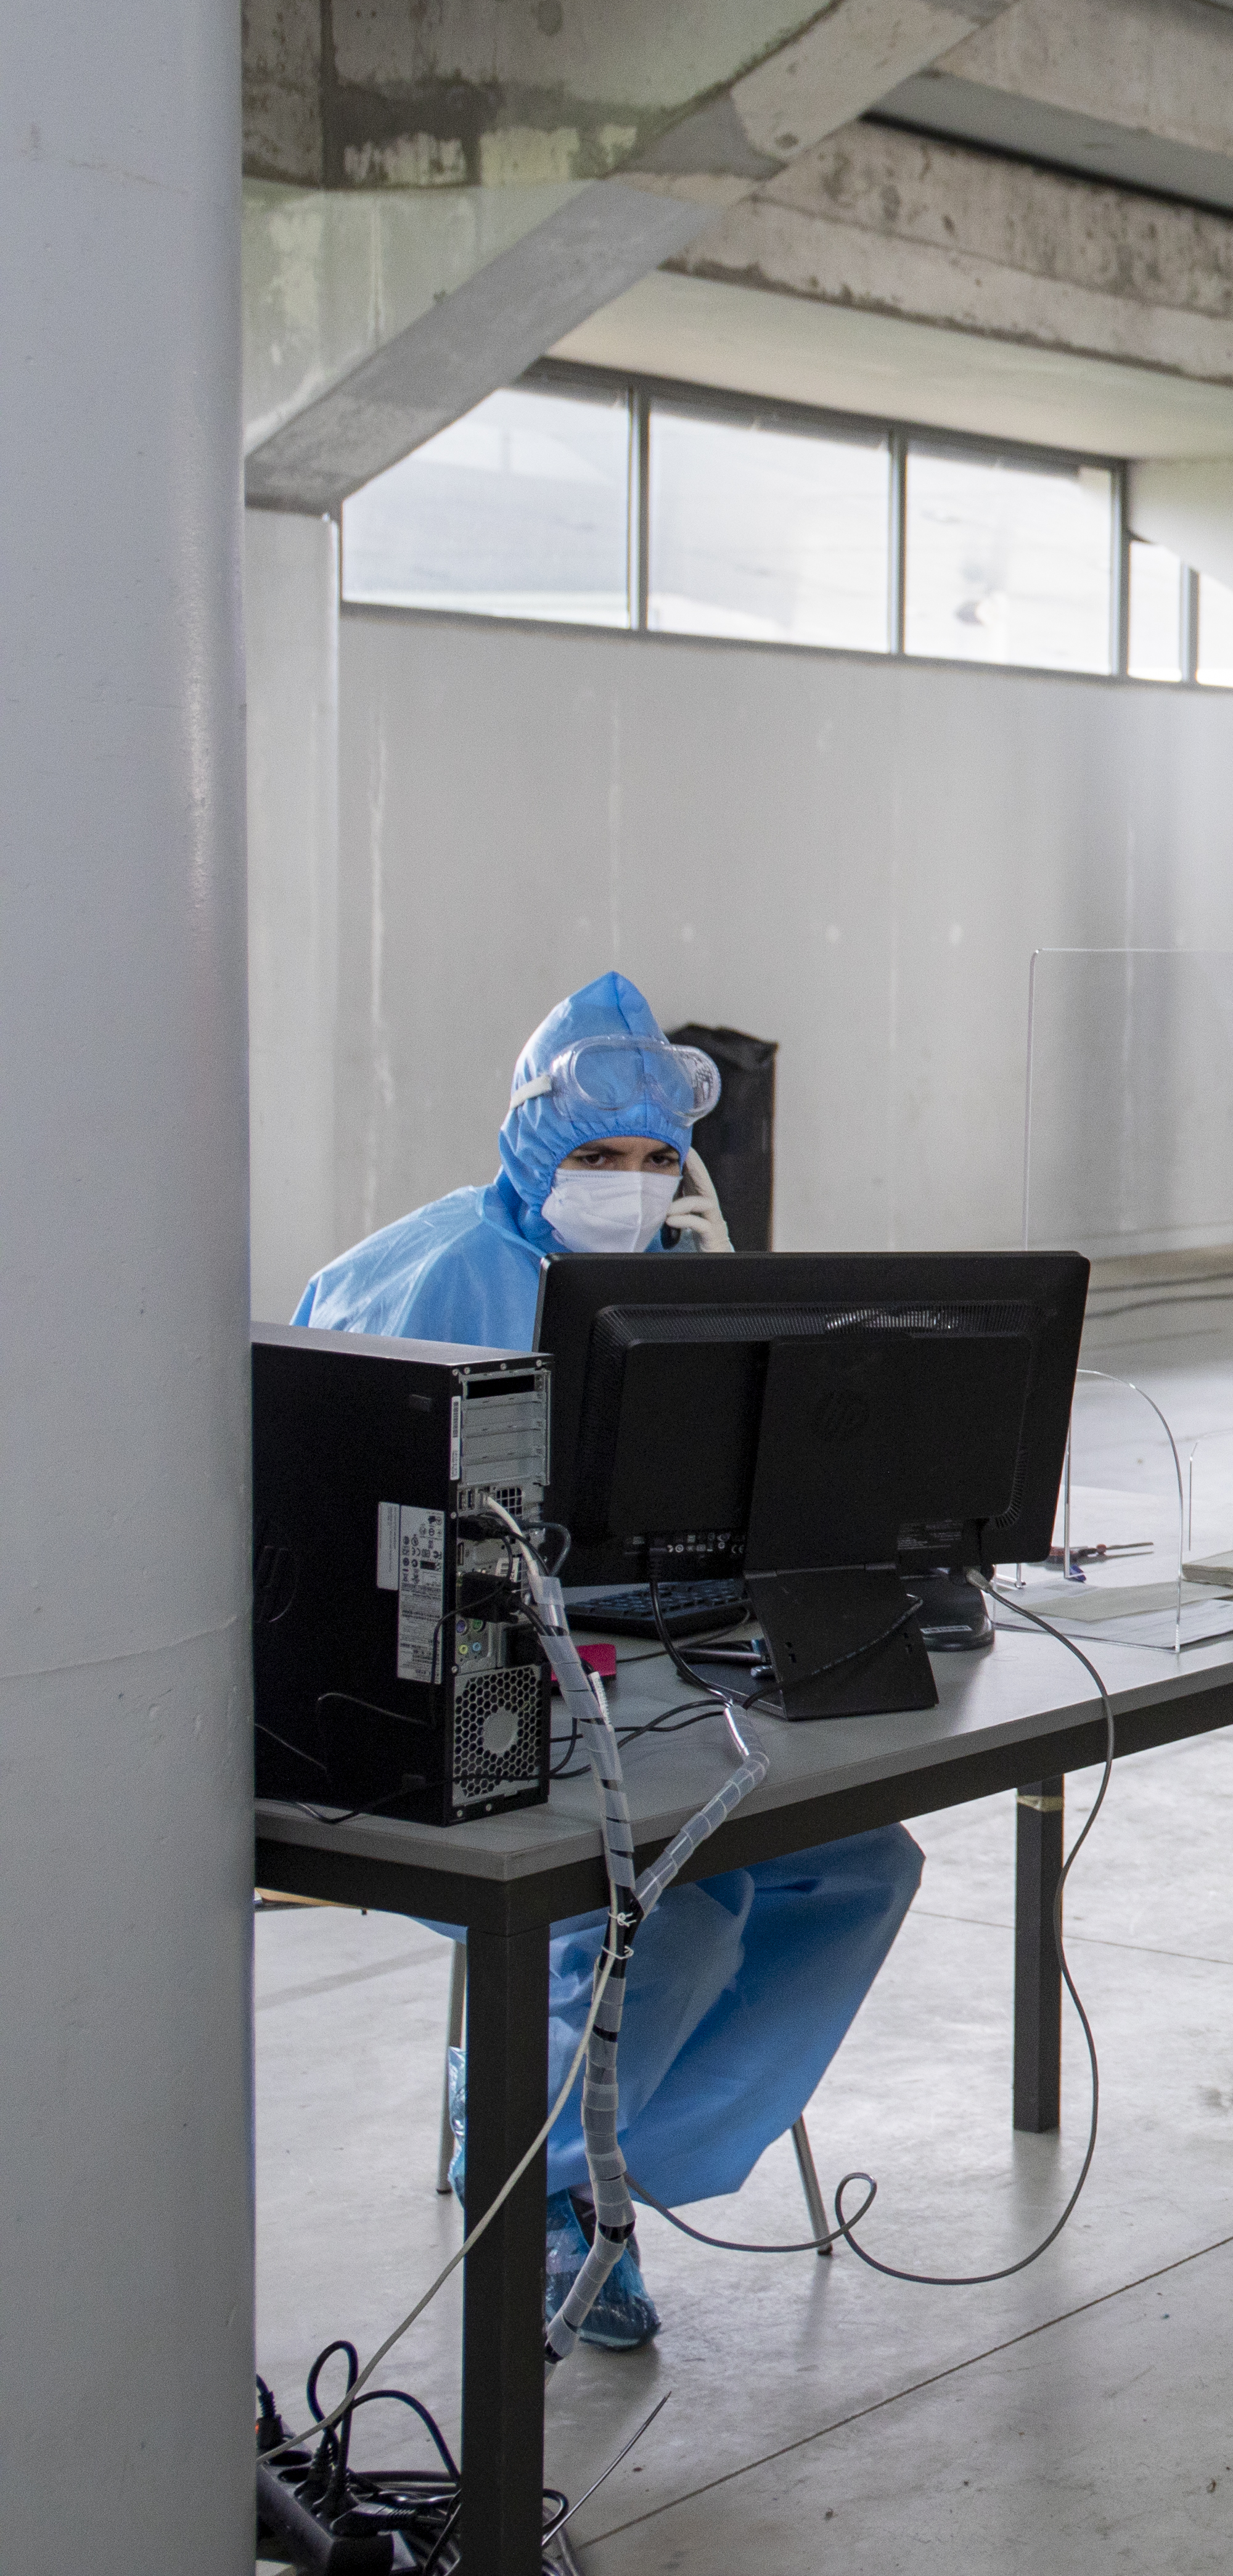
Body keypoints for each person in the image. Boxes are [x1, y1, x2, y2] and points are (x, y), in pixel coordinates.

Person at [297, 971, 925, 2351]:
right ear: (532, 1143)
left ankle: (605, 2150)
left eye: (654, 1158)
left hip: (626, 1674)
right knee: (677, 1916)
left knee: (865, 1859)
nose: (630, 1185)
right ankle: (549, 2197)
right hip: (427, 1704)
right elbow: (322, 1511)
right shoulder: (433, 1271)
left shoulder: (671, 1283)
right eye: (598, 1156)